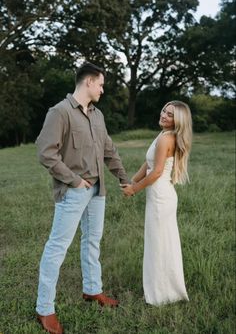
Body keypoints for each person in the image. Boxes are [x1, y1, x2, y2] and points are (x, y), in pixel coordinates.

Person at [35, 61, 129, 334]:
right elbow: (45, 152)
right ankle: (44, 308)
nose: (102, 89)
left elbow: (109, 149)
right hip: (73, 191)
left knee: (92, 241)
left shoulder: (98, 115)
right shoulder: (60, 112)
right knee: (57, 247)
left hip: (98, 191)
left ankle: (92, 291)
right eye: (100, 84)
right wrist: (74, 180)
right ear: (88, 82)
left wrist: (123, 177)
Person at [121, 101, 192, 306]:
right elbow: (148, 163)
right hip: (160, 196)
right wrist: (132, 180)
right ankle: (164, 288)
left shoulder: (167, 138)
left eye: (170, 115)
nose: (163, 115)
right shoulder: (162, 134)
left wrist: (134, 189)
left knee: (159, 245)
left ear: (177, 121)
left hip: (161, 198)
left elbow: (158, 171)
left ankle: (161, 294)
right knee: (159, 243)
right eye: (164, 110)